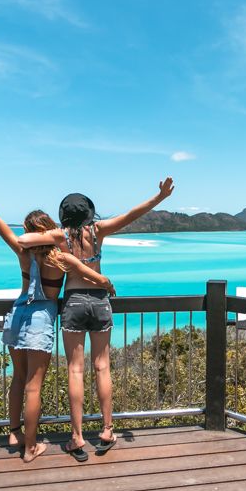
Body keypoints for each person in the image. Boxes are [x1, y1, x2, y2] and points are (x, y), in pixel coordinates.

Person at [0, 168, 115, 462]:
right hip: (41, 317)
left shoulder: (22, 252)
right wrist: (107, 284)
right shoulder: (61, 257)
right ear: (49, 228)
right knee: (34, 385)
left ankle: (14, 431)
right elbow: (93, 276)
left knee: (18, 379)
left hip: (17, 313)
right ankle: (30, 446)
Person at [18, 177, 174, 461]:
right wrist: (159, 198)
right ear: (89, 212)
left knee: (75, 370)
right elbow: (131, 215)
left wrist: (49, 233)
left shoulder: (61, 236)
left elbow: (23, 240)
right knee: (103, 367)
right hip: (100, 302)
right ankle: (106, 430)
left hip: (74, 302)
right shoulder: (98, 230)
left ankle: (76, 437)